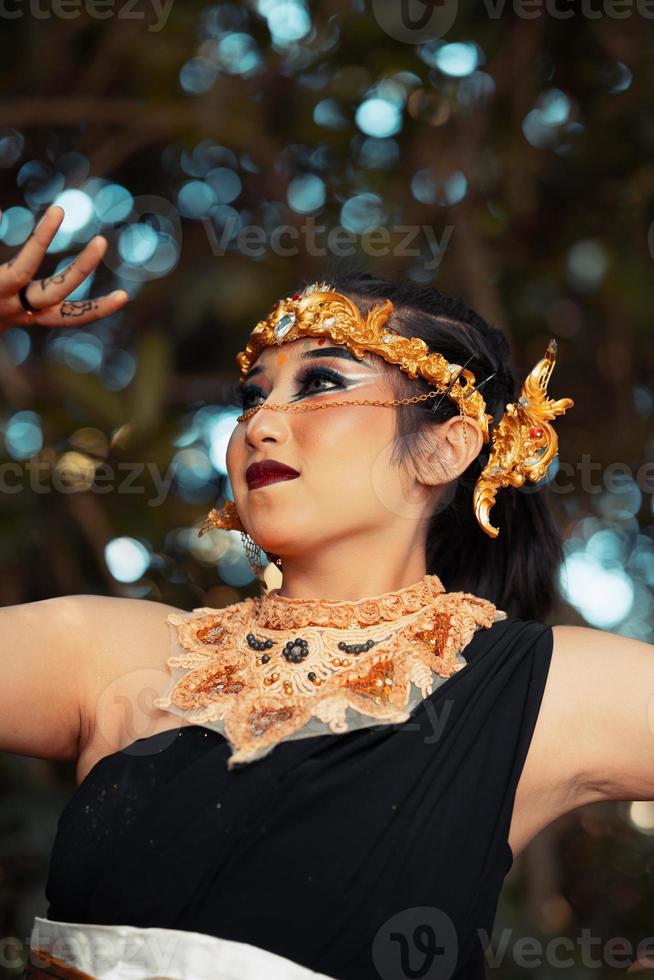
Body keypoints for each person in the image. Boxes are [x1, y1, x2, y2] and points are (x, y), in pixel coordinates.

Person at [1, 205, 653, 979]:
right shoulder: (107, 653)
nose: (261, 423)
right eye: (251, 395)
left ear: (446, 448)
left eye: (321, 383)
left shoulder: (536, 691)